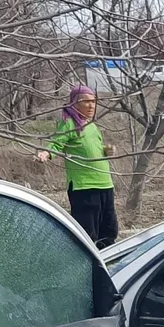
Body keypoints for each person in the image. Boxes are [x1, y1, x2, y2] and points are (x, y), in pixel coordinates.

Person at [37, 86, 119, 248]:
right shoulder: (69, 124)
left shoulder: (92, 125)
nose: (91, 106)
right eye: (86, 102)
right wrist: (46, 153)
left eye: (93, 102)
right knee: (87, 234)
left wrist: (106, 150)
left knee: (108, 229)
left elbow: (93, 147)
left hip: (105, 183)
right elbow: (56, 144)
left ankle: (108, 260)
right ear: (74, 103)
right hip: (84, 187)